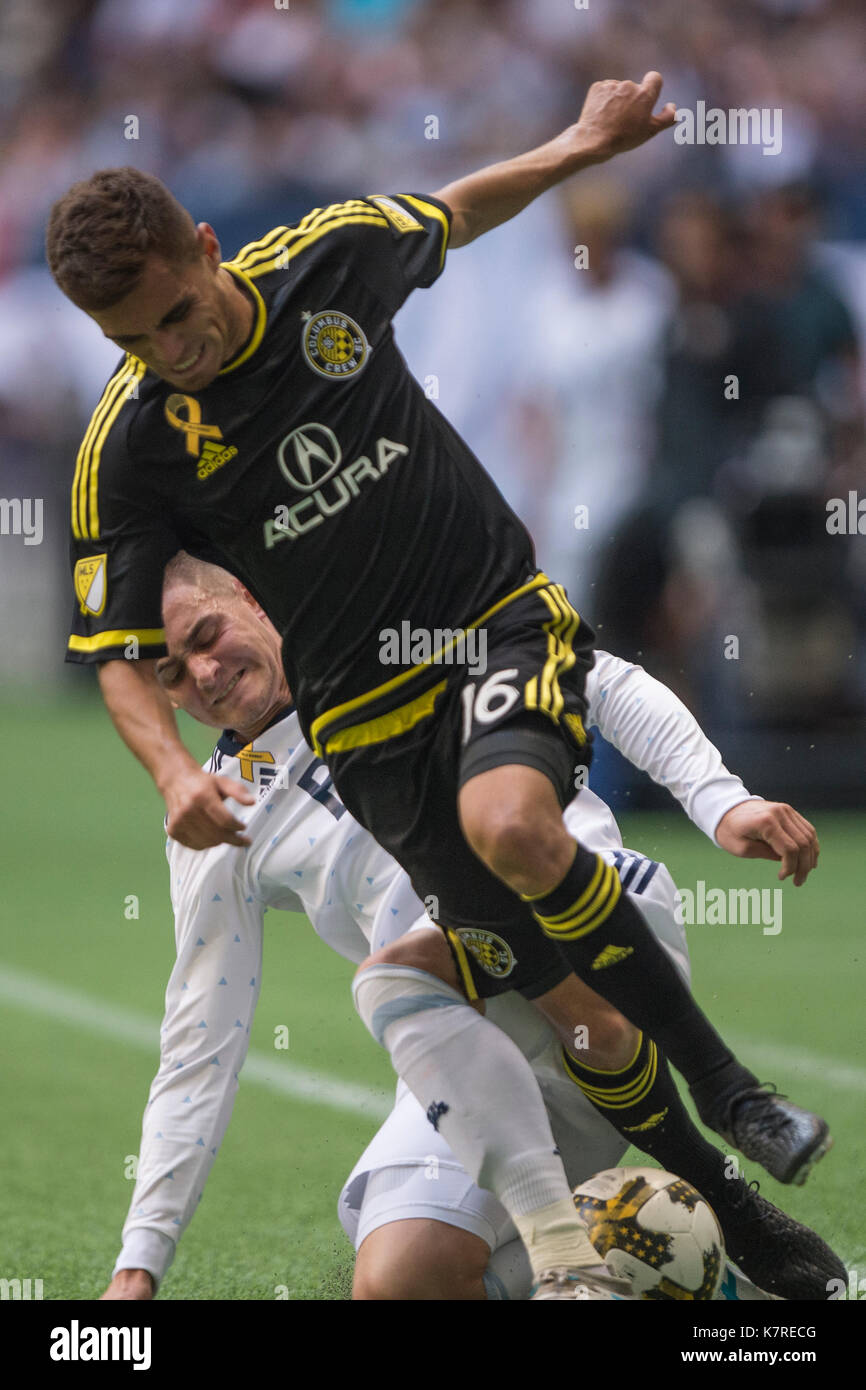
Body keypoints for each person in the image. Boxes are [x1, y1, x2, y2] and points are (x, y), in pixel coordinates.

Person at [49, 73, 828, 1296]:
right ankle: (700, 1234)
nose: (168, 353)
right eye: (131, 343)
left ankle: (725, 1101)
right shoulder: (137, 454)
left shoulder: (327, 266)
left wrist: (580, 142)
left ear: (206, 248)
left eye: (174, 316)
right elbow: (197, 1039)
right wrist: (135, 1278)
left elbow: (458, 210)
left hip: (491, 653)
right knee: (398, 1268)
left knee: (511, 829)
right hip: (439, 934)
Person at [101, 554, 842, 1301]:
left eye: (206, 634)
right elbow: (200, 1041)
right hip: (472, 1057)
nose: (202, 673)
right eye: (170, 674)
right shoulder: (214, 815)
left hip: (602, 928)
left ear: (254, 599)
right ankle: (686, 1273)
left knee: (416, 955)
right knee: (398, 1284)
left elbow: (596, 678)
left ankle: (709, 1180)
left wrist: (720, 802)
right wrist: (139, 1264)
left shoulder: (392, 639)